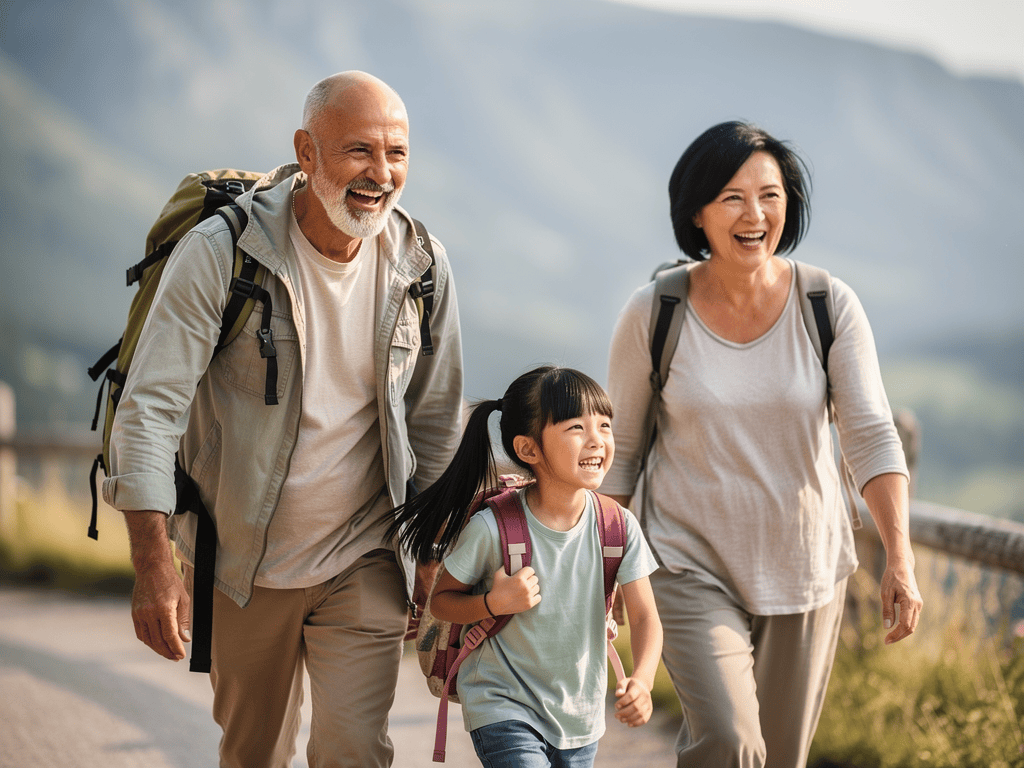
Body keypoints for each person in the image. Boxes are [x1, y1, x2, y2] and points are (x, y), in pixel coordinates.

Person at [102, 71, 464, 768]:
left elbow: (438, 422)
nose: (381, 174)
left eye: (398, 153)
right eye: (359, 151)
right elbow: (149, 410)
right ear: (306, 152)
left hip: (366, 555)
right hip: (243, 564)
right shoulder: (221, 254)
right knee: (255, 754)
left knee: (355, 750)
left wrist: (437, 554)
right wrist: (151, 561)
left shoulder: (422, 267)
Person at [600, 121, 923, 768]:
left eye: (770, 195)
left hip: (804, 566)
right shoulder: (654, 311)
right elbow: (623, 453)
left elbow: (868, 434)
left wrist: (899, 555)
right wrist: (605, 572)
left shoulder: (828, 304)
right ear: (696, 213)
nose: (755, 214)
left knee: (777, 759)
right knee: (727, 741)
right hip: (687, 562)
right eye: (732, 197)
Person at [390, 366, 663, 768]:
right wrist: (492, 603)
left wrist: (643, 680)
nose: (597, 441)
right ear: (529, 449)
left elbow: (644, 617)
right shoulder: (493, 528)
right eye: (576, 428)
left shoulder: (617, 526)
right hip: (502, 705)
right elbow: (442, 602)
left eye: (605, 426)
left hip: (578, 715)